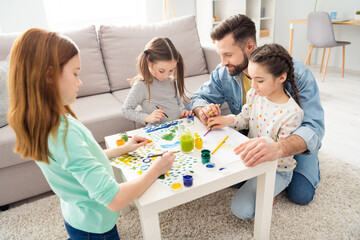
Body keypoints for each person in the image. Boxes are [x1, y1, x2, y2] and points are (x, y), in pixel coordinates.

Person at [7, 28, 175, 239]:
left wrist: (125, 148)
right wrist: (156, 169)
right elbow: (115, 199)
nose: (80, 82)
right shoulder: (62, 133)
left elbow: (83, 161)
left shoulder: (45, 120)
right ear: (49, 75)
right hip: (95, 227)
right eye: (75, 73)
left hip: (77, 215)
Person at [186, 14, 325, 206]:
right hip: (255, 133)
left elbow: (314, 128)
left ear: (249, 46)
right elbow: (197, 99)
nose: (223, 62)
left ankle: (291, 173)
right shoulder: (224, 72)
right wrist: (203, 110)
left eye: (228, 54)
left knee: (301, 195)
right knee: (228, 177)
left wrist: (279, 148)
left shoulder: (298, 75)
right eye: (220, 55)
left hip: (290, 143)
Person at [208, 43, 304, 219]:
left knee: (241, 211)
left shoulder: (293, 113)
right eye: (251, 78)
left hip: (276, 168)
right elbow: (245, 118)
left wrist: (265, 145)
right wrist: (226, 120)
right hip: (251, 158)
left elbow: (282, 153)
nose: (253, 86)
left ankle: (274, 191)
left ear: (281, 77)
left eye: (259, 80)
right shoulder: (255, 94)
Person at [121, 37, 193, 126]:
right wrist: (148, 117)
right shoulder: (141, 86)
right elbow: (125, 110)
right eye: (161, 71)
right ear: (148, 63)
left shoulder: (171, 81)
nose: (166, 75)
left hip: (177, 127)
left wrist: (183, 112)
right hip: (158, 132)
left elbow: (178, 103)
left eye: (171, 70)